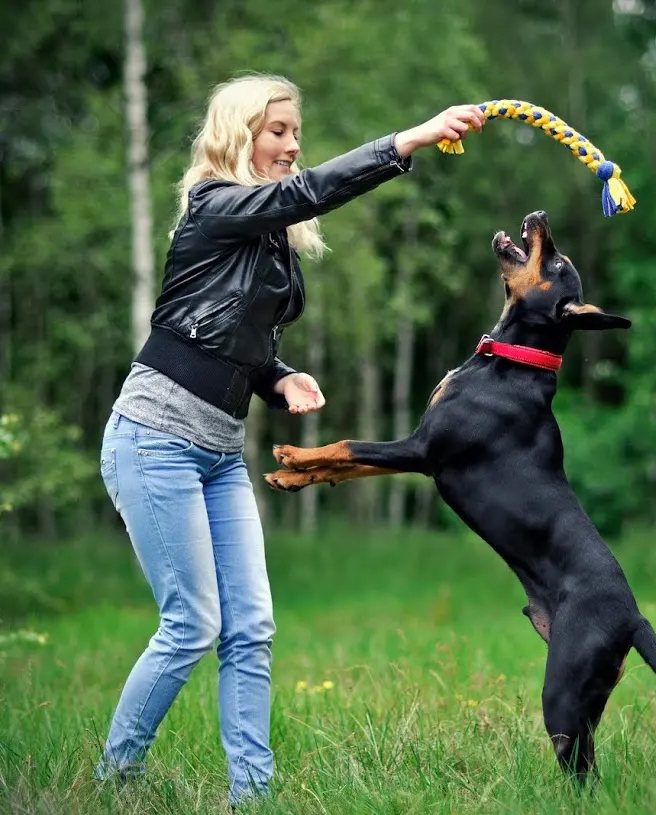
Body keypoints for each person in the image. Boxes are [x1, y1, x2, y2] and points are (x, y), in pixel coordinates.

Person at [94, 73, 485, 805]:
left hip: (218, 450)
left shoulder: (269, 239)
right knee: (192, 624)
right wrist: (408, 140)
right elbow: (306, 194)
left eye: (295, 132)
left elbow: (234, 332)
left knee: (251, 626)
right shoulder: (213, 205)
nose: (292, 144)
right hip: (154, 437)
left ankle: (253, 795)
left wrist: (277, 376)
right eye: (277, 131)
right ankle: (115, 780)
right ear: (238, 134)